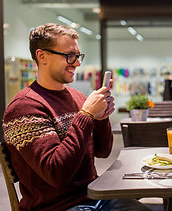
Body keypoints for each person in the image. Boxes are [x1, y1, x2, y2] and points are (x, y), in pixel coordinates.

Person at [2, 23, 150, 211]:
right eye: (69, 56)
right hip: (56, 206)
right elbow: (56, 174)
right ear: (42, 56)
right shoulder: (24, 108)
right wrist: (87, 115)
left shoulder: (77, 97)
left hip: (93, 195)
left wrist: (100, 117)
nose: (77, 63)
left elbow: (103, 152)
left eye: (78, 56)